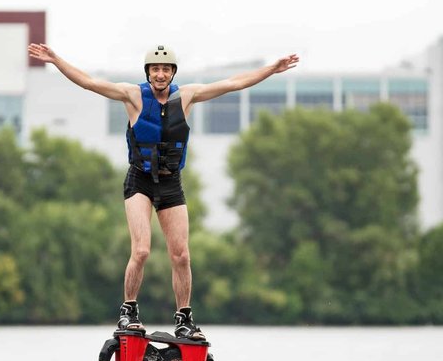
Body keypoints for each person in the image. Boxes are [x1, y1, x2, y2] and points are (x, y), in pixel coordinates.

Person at [28, 42, 299, 340]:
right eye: (155, 69)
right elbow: (89, 82)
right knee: (141, 250)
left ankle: (184, 319)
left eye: (166, 69)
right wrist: (55, 59)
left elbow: (234, 83)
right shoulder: (132, 95)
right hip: (140, 181)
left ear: (173, 73)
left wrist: (272, 69)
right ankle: (129, 311)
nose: (160, 74)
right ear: (148, 72)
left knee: (181, 255)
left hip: (171, 183)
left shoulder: (187, 96)